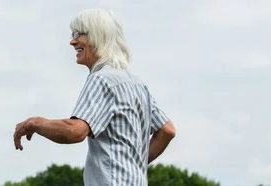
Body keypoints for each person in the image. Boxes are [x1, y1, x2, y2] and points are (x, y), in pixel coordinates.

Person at [13, 9, 176, 185]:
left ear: (98, 36)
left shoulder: (101, 79)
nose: (72, 41)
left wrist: (35, 123)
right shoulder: (137, 84)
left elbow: (74, 132)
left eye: (78, 34)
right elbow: (167, 131)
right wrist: (133, 166)